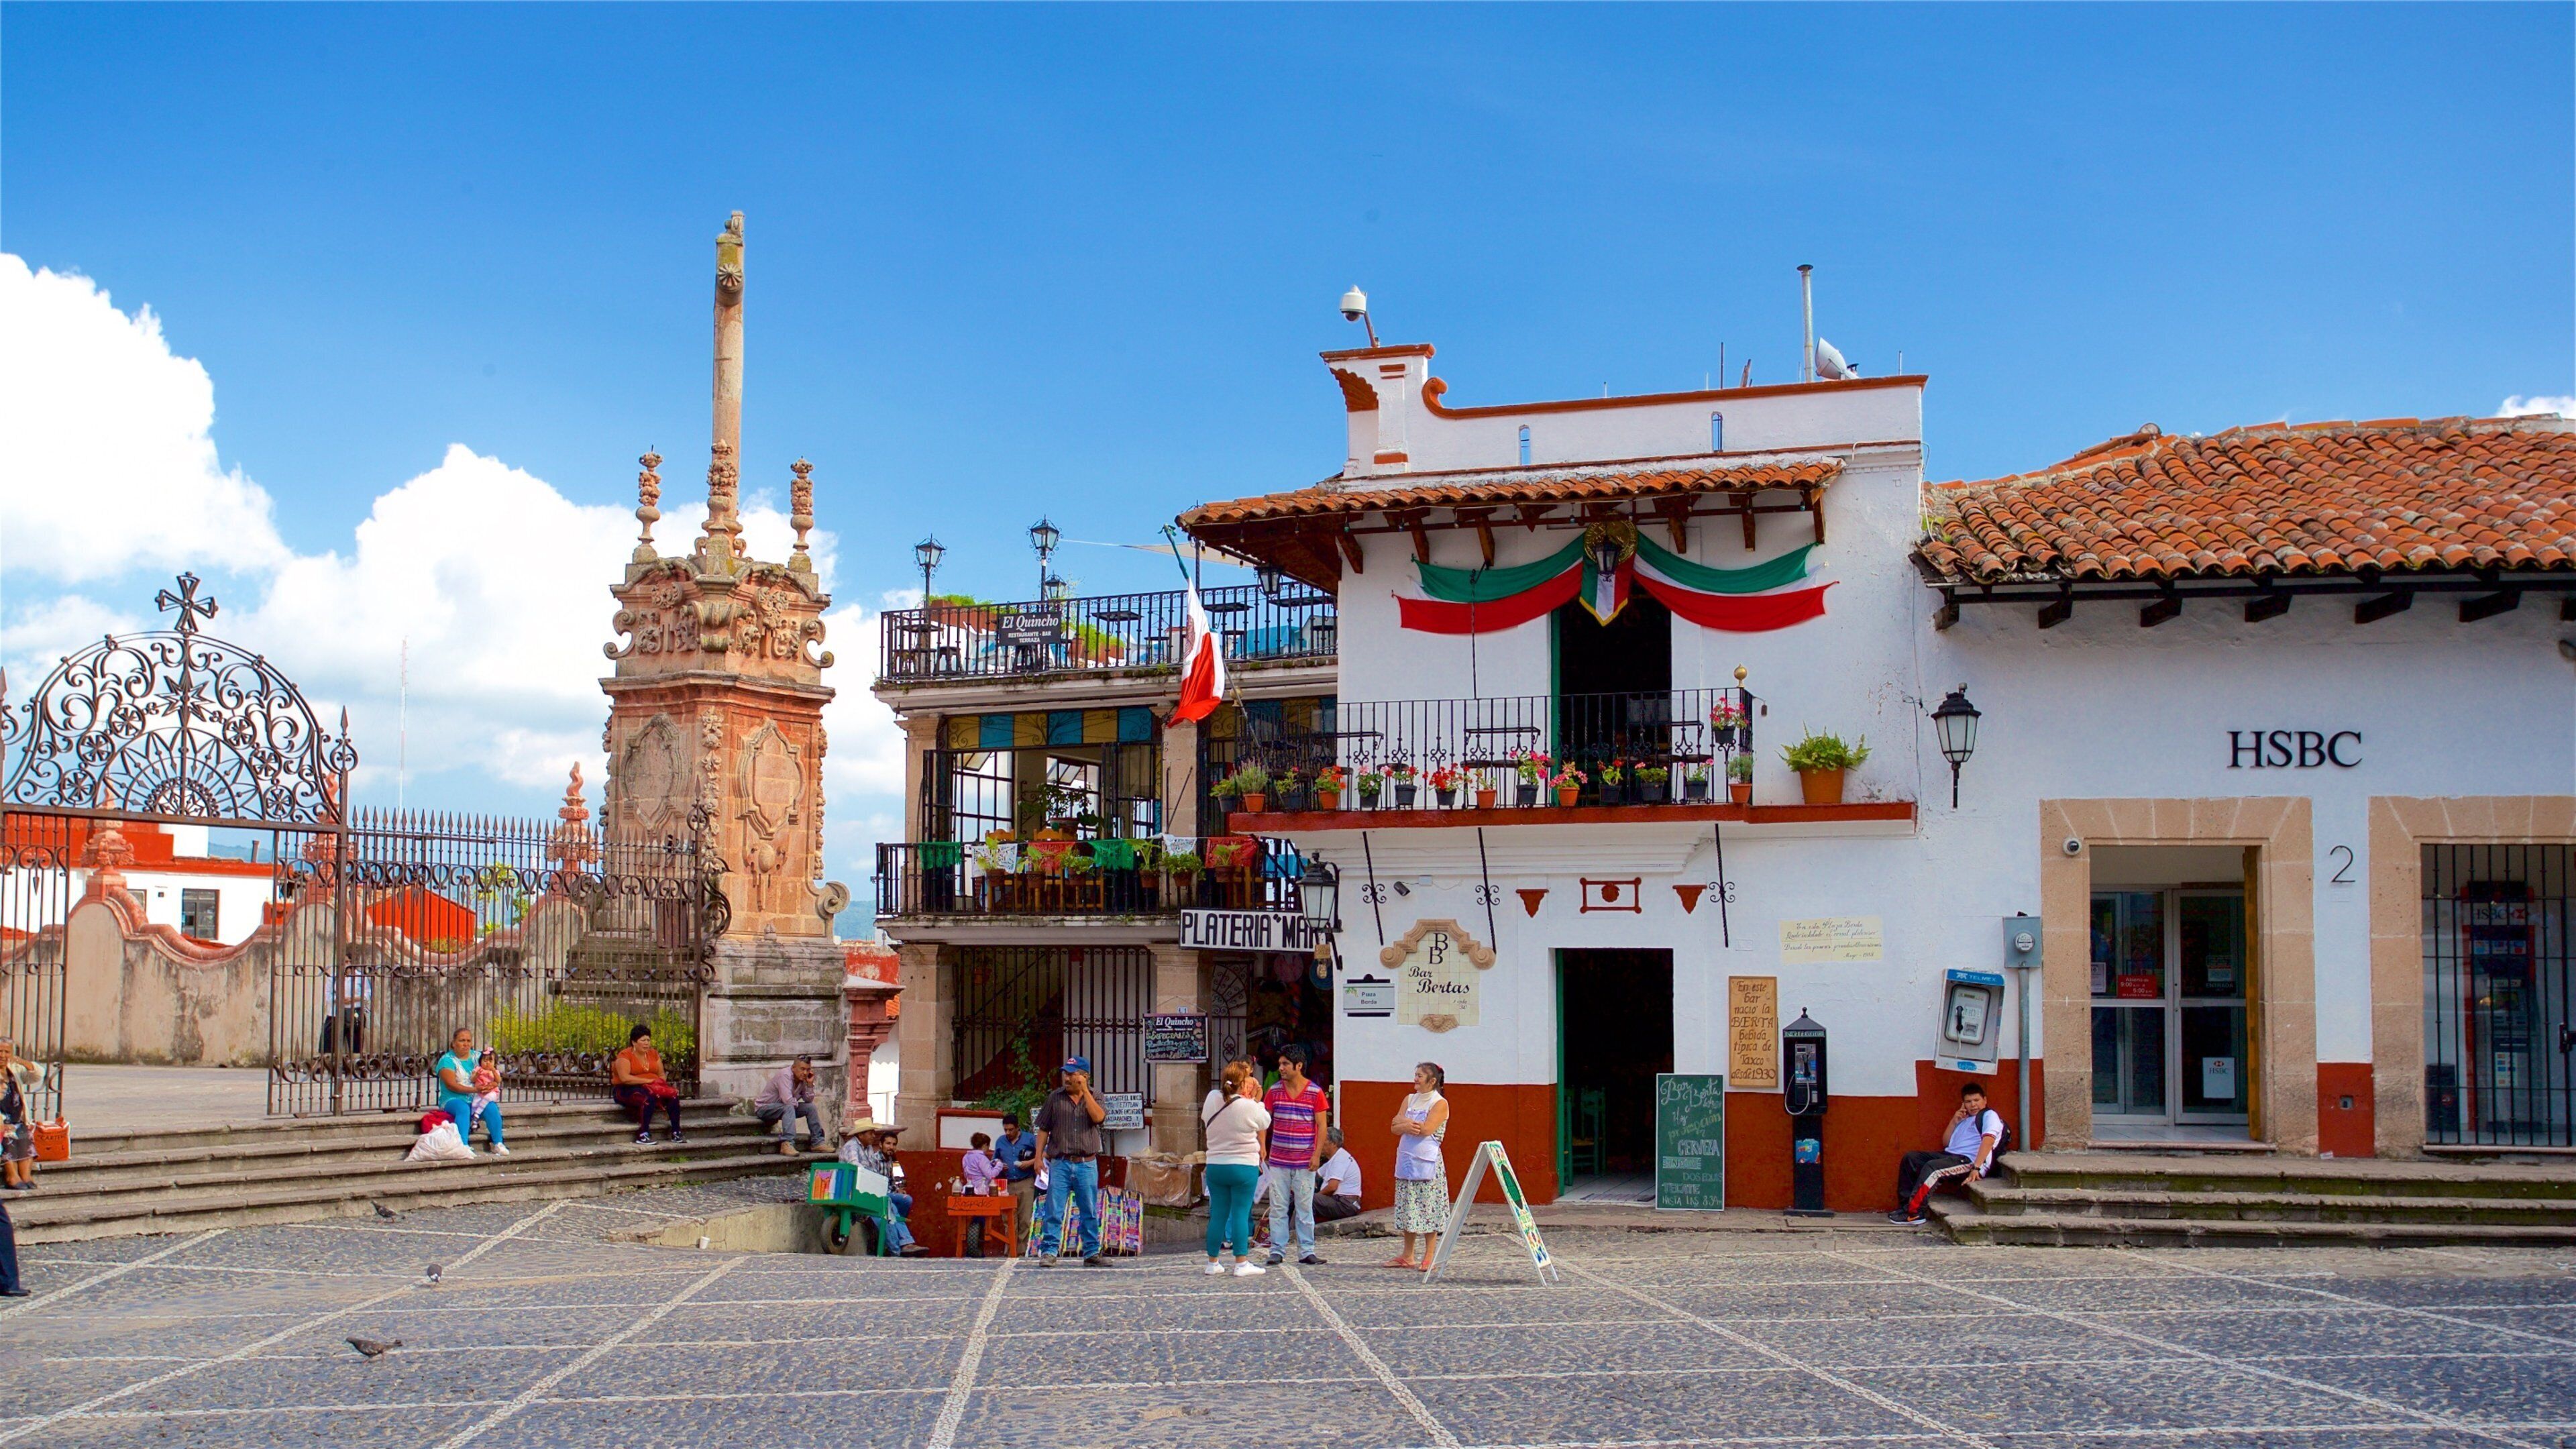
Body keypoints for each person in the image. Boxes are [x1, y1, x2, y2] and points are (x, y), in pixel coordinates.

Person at [1889, 1081, 2007, 1226]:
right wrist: (1954, 1121)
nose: (1973, 1105)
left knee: (1934, 1168)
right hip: (1950, 1156)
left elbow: (1989, 1139)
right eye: (1968, 1102)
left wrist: (1976, 1168)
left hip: (1968, 1160)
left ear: (1985, 1100)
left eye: (1976, 1100)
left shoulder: (1989, 1115)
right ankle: (1905, 1207)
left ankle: (1914, 1214)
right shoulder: (1965, 1120)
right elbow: (1947, 1143)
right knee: (1911, 1158)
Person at [1032, 1054, 1110, 1267]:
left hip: (1087, 1163)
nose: (1067, 1078)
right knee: (1054, 1209)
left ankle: (1092, 1252)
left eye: (1072, 1074)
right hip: (1061, 1163)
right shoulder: (1054, 1098)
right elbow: (1043, 1129)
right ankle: (1049, 1251)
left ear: (1084, 1077)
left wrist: (1085, 1092)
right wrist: (1038, 1158)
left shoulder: (1096, 1096)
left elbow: (1099, 1118)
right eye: (1066, 1074)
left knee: (1090, 1210)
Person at [1201, 1057, 1271, 1277]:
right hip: (1243, 1166)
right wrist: (1258, 1100)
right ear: (1243, 1084)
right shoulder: (1249, 1106)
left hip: (1216, 1165)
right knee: (1240, 1213)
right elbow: (1265, 1121)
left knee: (1218, 1214)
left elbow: (1206, 1117)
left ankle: (1212, 1263)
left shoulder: (1212, 1098)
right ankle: (1241, 1263)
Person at [1263, 1044, 1330, 1267]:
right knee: (1279, 1206)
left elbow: (1322, 1126)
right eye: (1280, 1064)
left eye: (1285, 1064)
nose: (1281, 1068)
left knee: (1304, 1206)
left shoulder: (1315, 1093)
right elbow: (1264, 1122)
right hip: (1279, 1160)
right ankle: (1277, 1250)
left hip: (1304, 1161)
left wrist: (1316, 1155)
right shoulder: (1273, 1091)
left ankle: (1306, 1250)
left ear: (1298, 1066)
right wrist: (1262, 1146)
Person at [1387, 1061, 1450, 1271]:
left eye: (1420, 1076)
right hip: (1406, 1160)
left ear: (1432, 1081)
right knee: (1408, 1207)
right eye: (1415, 1074)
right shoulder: (1409, 1099)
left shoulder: (1439, 1103)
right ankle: (1408, 1254)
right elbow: (1394, 1127)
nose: (1415, 1079)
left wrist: (1403, 1123)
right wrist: (1405, 1125)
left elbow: (1426, 1129)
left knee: (1427, 1207)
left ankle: (1430, 1254)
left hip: (1427, 1163)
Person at [836, 1120, 926, 1254]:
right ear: (861, 1135)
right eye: (871, 1133)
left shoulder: (869, 1149)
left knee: (897, 1203)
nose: (874, 1135)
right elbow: (857, 1168)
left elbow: (876, 1173)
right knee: (888, 1206)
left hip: (868, 1189)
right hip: (854, 1190)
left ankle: (903, 1243)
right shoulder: (852, 1147)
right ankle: (900, 1246)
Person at [434, 1028, 506, 1157]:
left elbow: (493, 1073)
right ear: (453, 1043)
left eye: (468, 1041)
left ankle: (498, 1143)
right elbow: (452, 1085)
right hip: (452, 1099)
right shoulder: (447, 1060)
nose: (466, 1044)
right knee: (463, 1109)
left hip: (476, 1097)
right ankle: (463, 1145)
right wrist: (475, 1089)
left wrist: (492, 1085)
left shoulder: (478, 1057)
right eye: (462, 1041)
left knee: (491, 1107)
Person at [610, 1024, 686, 1145]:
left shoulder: (653, 1054)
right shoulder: (625, 1055)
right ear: (634, 1042)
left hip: (652, 1087)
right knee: (647, 1098)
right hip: (626, 1089)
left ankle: (676, 1132)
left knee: (672, 1096)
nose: (647, 1043)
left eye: (648, 1040)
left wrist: (659, 1085)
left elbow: (661, 1075)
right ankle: (643, 1134)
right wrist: (648, 1081)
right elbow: (625, 1078)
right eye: (643, 1040)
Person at [753, 1057, 826, 1156]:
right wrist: (793, 1104)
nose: (805, 1073)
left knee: (810, 1107)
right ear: (793, 1068)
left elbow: (808, 1100)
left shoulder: (802, 1079)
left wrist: (809, 1085)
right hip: (764, 1109)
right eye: (802, 1069)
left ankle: (818, 1142)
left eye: (808, 1070)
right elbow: (787, 1100)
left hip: (783, 1109)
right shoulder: (785, 1075)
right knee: (789, 1106)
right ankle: (787, 1143)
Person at [992, 1110, 1038, 1247]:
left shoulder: (1030, 1139)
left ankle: (1022, 1251)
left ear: (1018, 1128)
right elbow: (994, 1160)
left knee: (1025, 1219)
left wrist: (1029, 1163)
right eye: (1005, 1130)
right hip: (1008, 1184)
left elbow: (1044, 1154)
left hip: (1026, 1182)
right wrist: (999, 1165)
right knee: (1009, 1219)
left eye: (1011, 1130)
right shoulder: (1000, 1141)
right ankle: (1010, 1249)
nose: (1008, 1133)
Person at [0, 1038, 40, 1191]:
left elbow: (38, 1075)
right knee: (7, 1135)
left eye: (7, 1052)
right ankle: (11, 1176)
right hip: (2, 1122)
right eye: (0, 1051)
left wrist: (21, 1062)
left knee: (25, 1133)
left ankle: (26, 1176)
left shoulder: (14, 1070)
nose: (3, 1055)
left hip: (15, 1119)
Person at [961, 1132, 1003, 1257]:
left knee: (972, 1215)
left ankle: (972, 1244)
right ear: (985, 1145)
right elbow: (990, 1175)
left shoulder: (966, 1157)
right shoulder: (982, 1158)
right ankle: (979, 1245)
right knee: (982, 1217)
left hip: (967, 1190)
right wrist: (999, 1165)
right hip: (981, 1190)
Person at [1315, 1127, 1363, 1224]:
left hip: (1346, 1204)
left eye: (1323, 1140)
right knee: (1300, 1197)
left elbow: (1332, 1187)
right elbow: (1315, 1176)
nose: (1319, 1144)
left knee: (1308, 1200)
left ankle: (1292, 1232)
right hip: (1341, 1201)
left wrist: (1316, 1197)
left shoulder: (1340, 1158)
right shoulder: (1333, 1160)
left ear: (1334, 1144)